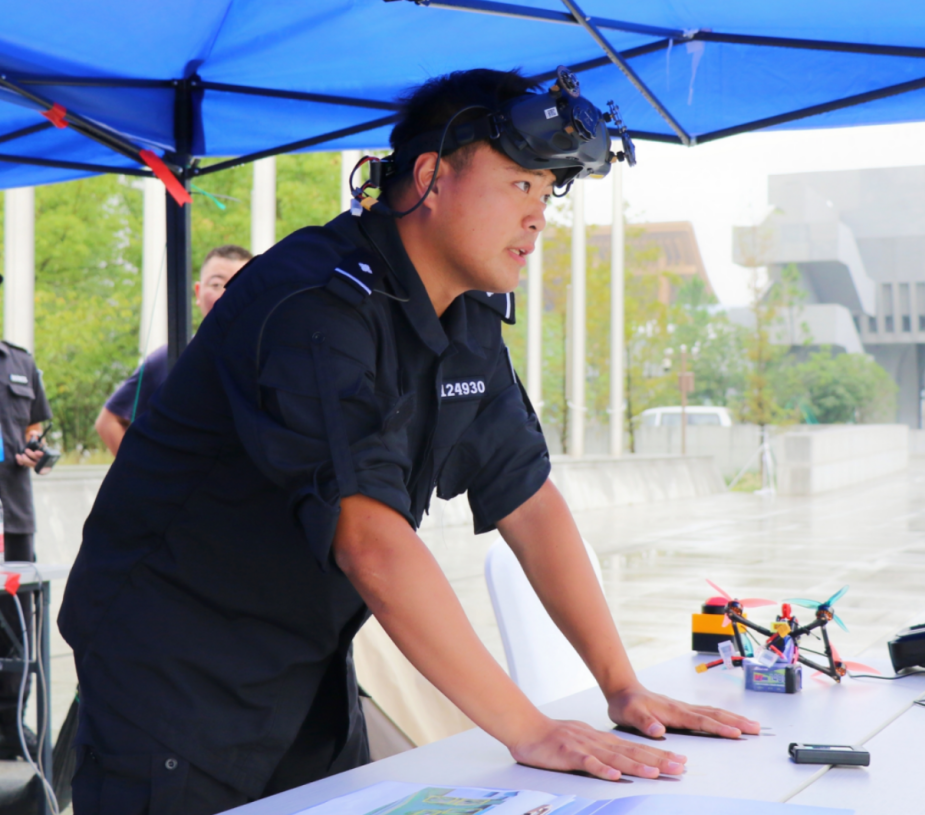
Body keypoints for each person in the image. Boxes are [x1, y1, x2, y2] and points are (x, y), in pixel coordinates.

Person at [59, 68, 759, 814]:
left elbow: (529, 500)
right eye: (521, 183)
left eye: (546, 192)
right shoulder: (312, 304)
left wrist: (622, 687)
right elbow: (372, 543)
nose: (538, 219)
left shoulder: (467, 317)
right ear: (430, 176)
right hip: (170, 675)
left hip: (303, 665)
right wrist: (529, 729)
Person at [94, 245, 252, 455]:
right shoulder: (167, 358)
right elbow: (109, 422)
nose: (226, 294)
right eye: (216, 284)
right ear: (197, 291)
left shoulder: (275, 360)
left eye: (238, 285)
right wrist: (145, 477)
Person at [0, 320, 53, 758]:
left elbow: (34, 424)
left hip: (14, 521)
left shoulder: (19, 361)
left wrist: (34, 446)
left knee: (18, 626)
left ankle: (11, 727)